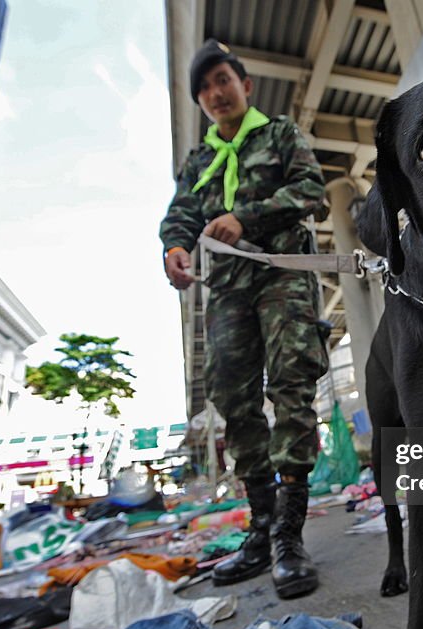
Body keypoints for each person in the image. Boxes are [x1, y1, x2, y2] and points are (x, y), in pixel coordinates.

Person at [159, 39, 329, 599]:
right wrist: (175, 250)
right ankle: (260, 529)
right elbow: (181, 214)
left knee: (290, 386)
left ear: (245, 85)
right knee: (233, 398)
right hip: (226, 289)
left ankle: (289, 536)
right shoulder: (198, 160)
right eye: (204, 88)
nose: (215, 93)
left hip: (281, 270)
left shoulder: (278, 133)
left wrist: (245, 216)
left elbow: (311, 190)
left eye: (223, 80)